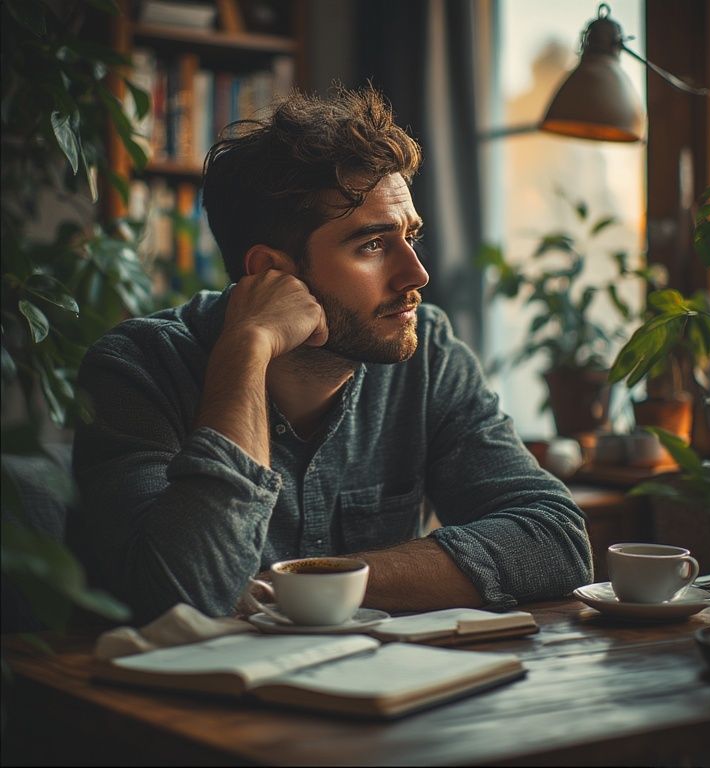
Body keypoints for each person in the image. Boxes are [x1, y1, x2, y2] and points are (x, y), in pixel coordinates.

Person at [71, 85, 593, 624]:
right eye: (372, 245)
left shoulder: (428, 352)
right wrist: (246, 350)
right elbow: (182, 598)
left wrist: (309, 583)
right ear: (271, 272)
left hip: (376, 693)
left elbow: (554, 539)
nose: (416, 274)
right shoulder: (136, 369)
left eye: (410, 236)